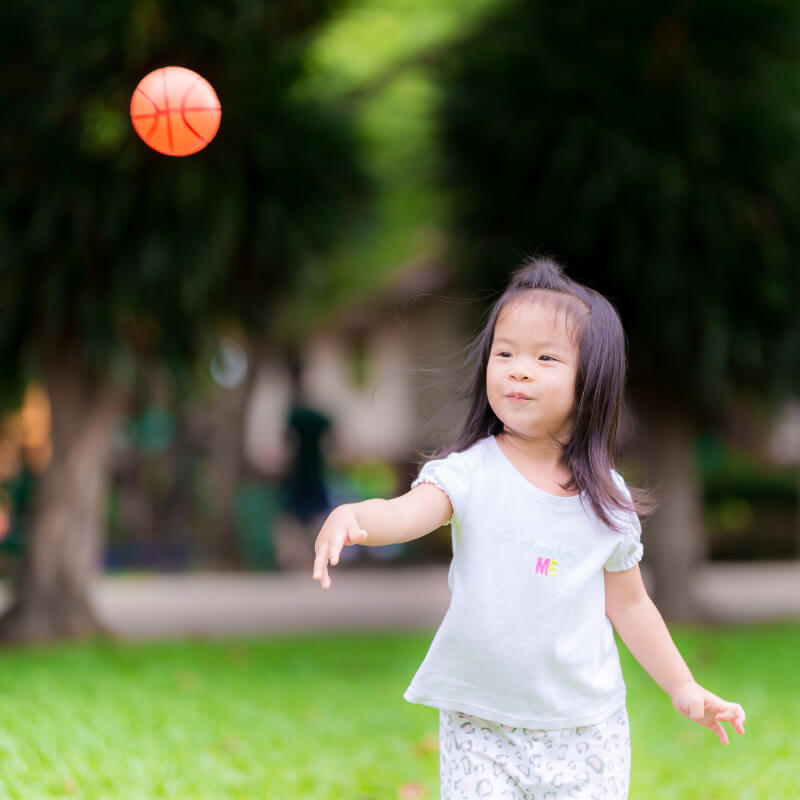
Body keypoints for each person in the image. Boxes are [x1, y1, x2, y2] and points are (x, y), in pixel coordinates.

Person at [312, 257, 745, 799]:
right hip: (482, 725)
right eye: (505, 353)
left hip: (586, 729)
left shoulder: (604, 499)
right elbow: (406, 513)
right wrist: (354, 517)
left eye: (545, 357)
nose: (518, 369)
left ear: (592, 382)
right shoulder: (471, 472)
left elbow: (631, 604)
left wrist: (683, 687)